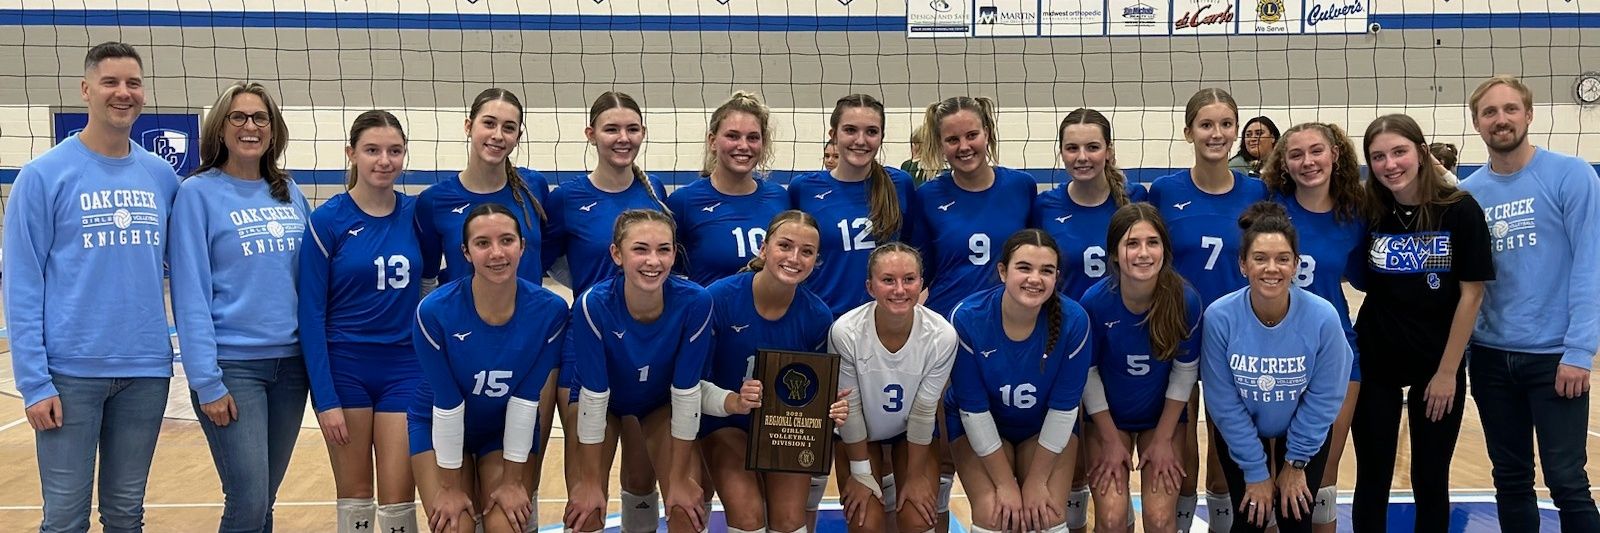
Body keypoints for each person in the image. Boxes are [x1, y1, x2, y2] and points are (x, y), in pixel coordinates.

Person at [4, 41, 181, 533]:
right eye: (110, 82)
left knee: (126, 514)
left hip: (145, 372)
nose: (123, 92)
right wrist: (34, 382)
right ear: (86, 90)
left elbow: (190, 267)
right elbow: (22, 285)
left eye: (133, 83)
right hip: (69, 374)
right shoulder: (43, 176)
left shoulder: (161, 176)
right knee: (65, 518)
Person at [170, 81, 313, 532]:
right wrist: (206, 381)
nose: (250, 126)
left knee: (264, 500)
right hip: (233, 368)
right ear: (220, 127)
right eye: (238, 117)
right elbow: (189, 292)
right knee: (248, 501)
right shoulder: (197, 193)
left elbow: (310, 282)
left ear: (273, 129)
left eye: (260, 118)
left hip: (292, 368)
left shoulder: (289, 191)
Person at [1460, 74, 1600, 532]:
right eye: (1489, 112)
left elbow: (1591, 265)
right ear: (1477, 123)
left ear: (1529, 114)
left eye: (1510, 109)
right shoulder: (1469, 193)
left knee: (1567, 482)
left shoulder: (1571, 174)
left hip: (1554, 357)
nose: (1500, 119)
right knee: (1510, 480)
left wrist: (1579, 351)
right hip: (1490, 358)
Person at [1351, 114, 1493, 533]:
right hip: (1376, 358)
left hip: (1437, 362)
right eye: (1378, 157)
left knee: (1430, 478)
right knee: (1372, 476)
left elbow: (1472, 294)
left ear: (1421, 153)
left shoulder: (1460, 209)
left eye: (1399, 152)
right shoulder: (1369, 210)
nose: (1390, 164)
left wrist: (1448, 372)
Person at [542, 91, 674, 531]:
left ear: (643, 133)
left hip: (644, 351)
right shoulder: (567, 198)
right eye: (611, 129)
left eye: (632, 129)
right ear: (591, 134)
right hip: (585, 346)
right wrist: (591, 289)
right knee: (586, 488)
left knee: (640, 479)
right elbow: (544, 262)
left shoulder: (654, 194)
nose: (623, 138)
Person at [1144, 88, 1267, 531]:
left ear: (1236, 131)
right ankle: (1180, 520)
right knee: (1179, 440)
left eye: (1226, 124)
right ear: (1188, 132)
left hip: (1235, 334)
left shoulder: (1257, 191)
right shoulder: (1164, 191)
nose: (1217, 134)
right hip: (1175, 330)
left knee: (1226, 443)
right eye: (1206, 125)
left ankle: (1220, 521)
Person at [299, 110, 424, 533]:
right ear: (351, 153)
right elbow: (310, 315)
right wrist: (325, 399)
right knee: (355, 498)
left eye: (394, 151)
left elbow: (433, 282)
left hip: (404, 368)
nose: (384, 161)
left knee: (399, 499)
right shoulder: (327, 221)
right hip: (346, 369)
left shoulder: (416, 215)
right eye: (372, 150)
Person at [408, 203, 567, 533]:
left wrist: (512, 482)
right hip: (438, 423)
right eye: (482, 243)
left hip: (502, 427)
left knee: (505, 523)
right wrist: (449, 488)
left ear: (522, 246)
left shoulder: (550, 311)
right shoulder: (434, 312)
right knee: (454, 525)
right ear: (466, 252)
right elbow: (447, 401)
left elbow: (526, 398)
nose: (497, 253)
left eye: (507, 240)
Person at [1201, 202, 1352, 533]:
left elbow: (1325, 398)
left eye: (1283, 259)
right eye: (1260, 258)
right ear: (1243, 264)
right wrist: (1256, 472)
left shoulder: (1323, 317)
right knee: (1251, 517)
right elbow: (1223, 404)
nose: (1272, 268)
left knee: (1295, 516)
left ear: (1296, 264)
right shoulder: (1220, 317)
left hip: (1302, 426)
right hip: (1241, 428)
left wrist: (1295, 463)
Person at [562, 209, 716, 533]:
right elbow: (594, 395)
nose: (653, 261)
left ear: (674, 254)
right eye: (640, 249)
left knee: (685, 510)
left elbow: (686, 392)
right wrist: (589, 482)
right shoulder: (593, 304)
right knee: (585, 511)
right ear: (617, 254)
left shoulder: (696, 302)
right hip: (602, 403)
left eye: (664, 249)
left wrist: (679, 480)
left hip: (659, 402)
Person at [945, 229, 1093, 533]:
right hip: (979, 424)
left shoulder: (1074, 320)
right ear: (1003, 271)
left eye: (1046, 271)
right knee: (994, 514)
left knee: (1047, 514)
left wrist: (1037, 482)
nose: (1034, 279)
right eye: (1024, 268)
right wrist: (1004, 484)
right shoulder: (968, 317)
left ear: (1056, 277)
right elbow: (973, 409)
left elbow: (1064, 409)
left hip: (1042, 426)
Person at [1259, 122, 1368, 533]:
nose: (1308, 162)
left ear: (1335, 154)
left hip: (1335, 354)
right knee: (1271, 482)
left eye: (1316, 151)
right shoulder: (1270, 208)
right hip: (1271, 354)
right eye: (1296, 154)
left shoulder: (1354, 215)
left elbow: (1363, 277)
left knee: (1321, 481)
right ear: (1284, 163)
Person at [700, 210, 835, 533]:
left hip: (782, 427)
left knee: (789, 520)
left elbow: (813, 393)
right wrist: (733, 401)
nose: (794, 258)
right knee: (748, 516)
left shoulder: (817, 316)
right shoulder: (718, 298)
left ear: (816, 261)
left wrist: (832, 406)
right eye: (785, 246)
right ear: (764, 249)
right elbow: (691, 384)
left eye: (806, 251)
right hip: (725, 423)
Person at [1078, 203, 1202, 533]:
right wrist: (1109, 438)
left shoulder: (1185, 300)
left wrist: (1163, 438)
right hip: (1108, 417)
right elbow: (1089, 375)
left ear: (1165, 249)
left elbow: (1184, 373)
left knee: (1160, 519)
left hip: (1162, 417)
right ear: (1114, 254)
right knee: (1111, 519)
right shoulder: (1094, 302)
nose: (1143, 253)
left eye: (1152, 242)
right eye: (1132, 244)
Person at [832, 242, 958, 533]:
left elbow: (924, 411)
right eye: (888, 280)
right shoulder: (846, 331)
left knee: (917, 518)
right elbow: (850, 408)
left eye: (909, 279)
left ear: (921, 283)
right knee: (865, 522)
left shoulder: (941, 335)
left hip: (909, 432)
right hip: (860, 432)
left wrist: (915, 477)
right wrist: (861, 473)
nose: (900, 290)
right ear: (870, 287)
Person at [788, 93, 915, 317]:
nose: (861, 140)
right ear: (833, 135)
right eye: (850, 130)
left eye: (871, 132)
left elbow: (913, 251)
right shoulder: (803, 189)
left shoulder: (900, 184)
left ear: (882, 136)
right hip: (822, 320)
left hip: (885, 321)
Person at [910, 96, 1038, 317]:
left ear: (986, 134)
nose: (964, 147)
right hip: (947, 320)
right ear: (941, 144)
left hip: (1008, 319)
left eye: (972, 135)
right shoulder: (927, 196)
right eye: (952, 140)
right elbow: (921, 271)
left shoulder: (1021, 186)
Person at [415, 88, 551, 287]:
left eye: (509, 128)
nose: (498, 135)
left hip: (530, 307)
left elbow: (548, 257)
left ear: (518, 136)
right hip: (464, 307)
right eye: (489, 123)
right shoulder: (433, 201)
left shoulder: (534, 186)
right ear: (468, 126)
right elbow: (427, 279)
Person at [666, 90, 791, 286]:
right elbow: (668, 271)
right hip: (710, 306)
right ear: (712, 141)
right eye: (733, 136)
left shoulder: (780, 198)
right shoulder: (683, 201)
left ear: (763, 143)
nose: (743, 145)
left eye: (753, 137)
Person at [1032, 107, 1133, 300]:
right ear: (1061, 153)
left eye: (1092, 147)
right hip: (1065, 316)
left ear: (1108, 152)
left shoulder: (1135, 198)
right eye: (1072, 148)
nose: (1082, 157)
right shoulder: (1044, 207)